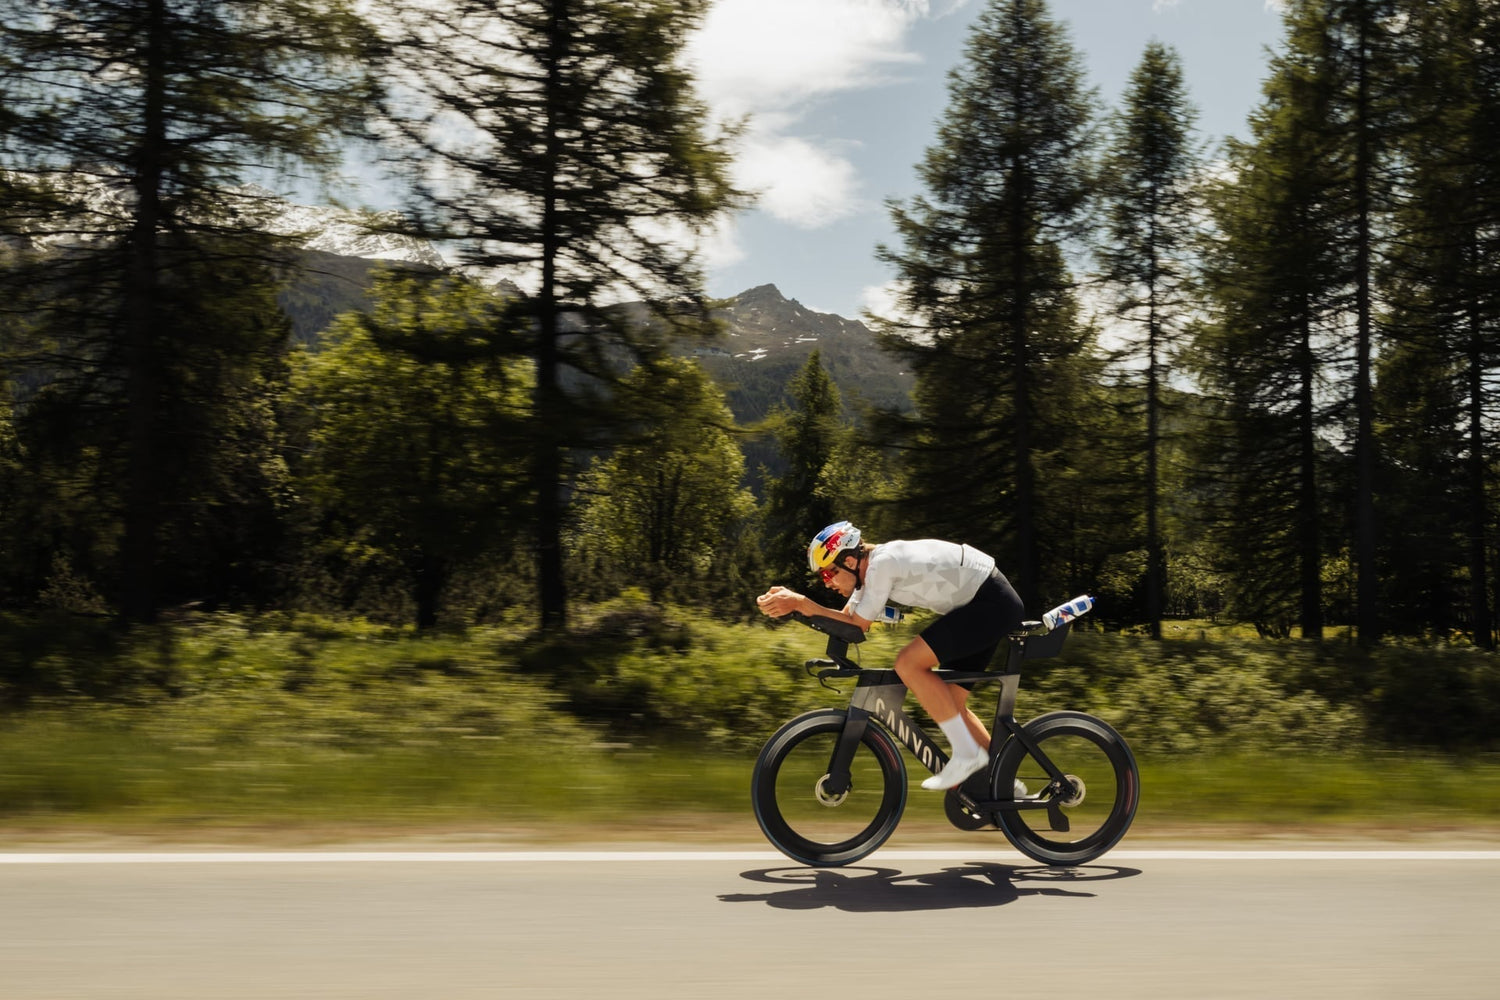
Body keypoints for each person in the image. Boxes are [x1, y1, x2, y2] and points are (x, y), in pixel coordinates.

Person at [756, 520, 1026, 791]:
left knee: (908, 664)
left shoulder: (882, 565)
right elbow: (847, 621)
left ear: (850, 560)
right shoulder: (866, 576)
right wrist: (798, 607)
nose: (827, 584)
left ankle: (967, 755)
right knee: (950, 701)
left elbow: (857, 626)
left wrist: (802, 603)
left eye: (829, 574)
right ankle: (1006, 783)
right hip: (981, 604)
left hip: (991, 602)